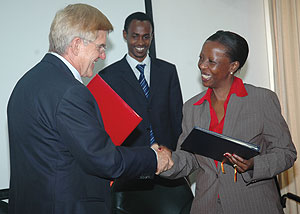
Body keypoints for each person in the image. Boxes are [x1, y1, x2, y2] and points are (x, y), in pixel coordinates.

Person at [7, 4, 173, 214]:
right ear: (77, 45)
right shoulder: (71, 92)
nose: (102, 56)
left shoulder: (26, 83)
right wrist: (153, 157)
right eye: (100, 47)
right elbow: (105, 160)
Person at [160, 30, 297, 214]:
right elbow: (189, 158)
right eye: (201, 58)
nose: (202, 66)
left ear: (233, 66)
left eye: (211, 61)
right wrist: (166, 162)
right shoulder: (191, 107)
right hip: (206, 206)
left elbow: (286, 153)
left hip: (253, 205)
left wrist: (254, 165)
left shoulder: (262, 100)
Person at [99, 12, 193, 213]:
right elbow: (108, 130)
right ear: (125, 35)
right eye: (135, 36)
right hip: (130, 171)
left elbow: (178, 119)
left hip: (167, 169)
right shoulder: (108, 76)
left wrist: (178, 158)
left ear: (152, 36)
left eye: (146, 36)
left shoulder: (168, 71)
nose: (140, 42)